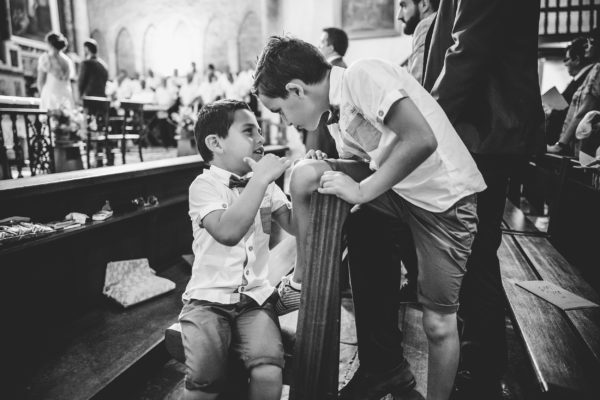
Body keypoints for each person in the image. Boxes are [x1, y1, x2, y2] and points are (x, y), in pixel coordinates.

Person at [253, 36, 485, 400]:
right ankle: (384, 368)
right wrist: (324, 163)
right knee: (343, 206)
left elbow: (421, 139)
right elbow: (372, 162)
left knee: (438, 323)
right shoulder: (336, 114)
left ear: (296, 90)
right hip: (403, 197)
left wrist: (360, 191)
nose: (285, 120)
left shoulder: (361, 76)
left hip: (445, 204)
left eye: (279, 110)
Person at [422, 1, 545, 397]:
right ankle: (476, 359)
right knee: (474, 249)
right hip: (483, 129)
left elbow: (467, 49)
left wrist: (427, 123)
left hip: (483, 130)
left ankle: (481, 367)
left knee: (474, 252)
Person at [180, 99, 294, 400]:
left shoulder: (267, 186)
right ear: (215, 143)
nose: (260, 139)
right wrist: (260, 181)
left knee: (269, 371)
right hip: (208, 299)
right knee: (204, 380)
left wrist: (308, 182)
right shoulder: (203, 186)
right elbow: (228, 232)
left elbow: (297, 225)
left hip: (255, 300)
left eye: (259, 131)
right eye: (248, 131)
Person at [548, 28, 600, 156]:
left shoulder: (596, 71)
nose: (587, 48)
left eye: (591, 43)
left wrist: (560, 145)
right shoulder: (592, 71)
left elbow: (582, 112)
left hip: (585, 143)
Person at [399, 0, 439, 84]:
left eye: (404, 6)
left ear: (424, 4)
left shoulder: (426, 25)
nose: (399, 16)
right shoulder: (444, 23)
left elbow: (417, 89)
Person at [37, 32, 75, 110]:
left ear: (49, 44)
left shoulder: (46, 59)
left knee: (51, 119)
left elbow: (40, 81)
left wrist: (44, 97)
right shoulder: (67, 61)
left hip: (51, 94)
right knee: (65, 118)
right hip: (66, 94)